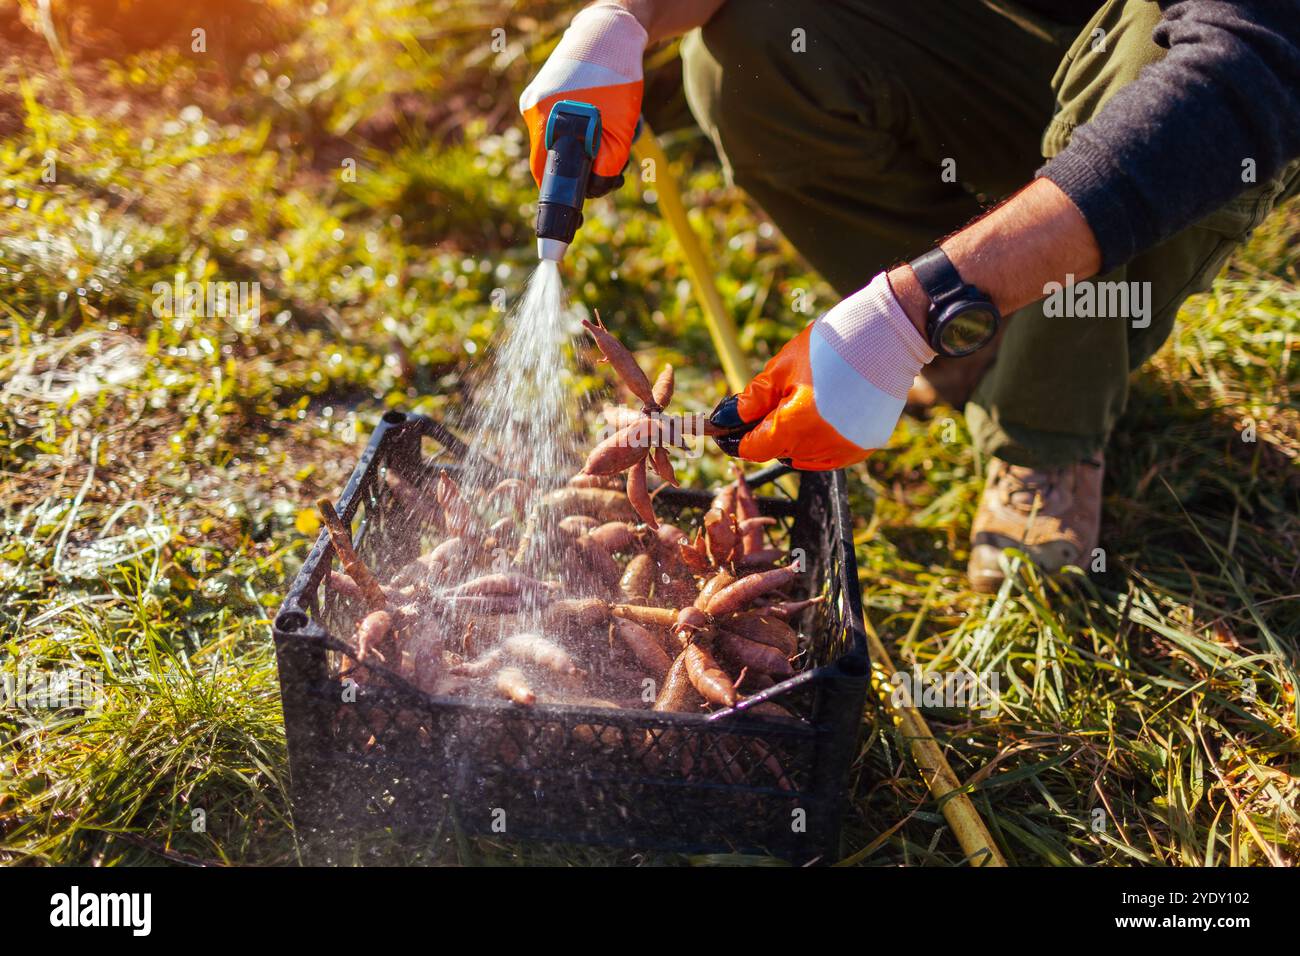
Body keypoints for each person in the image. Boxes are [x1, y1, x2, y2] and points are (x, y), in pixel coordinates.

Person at [519, 0, 1300, 591]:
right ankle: (978, 345)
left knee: (1141, 68)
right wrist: (627, 17)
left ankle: (1044, 431)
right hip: (1000, 49)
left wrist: (919, 304)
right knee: (753, 42)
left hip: (1192, 96)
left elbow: (1244, 69)